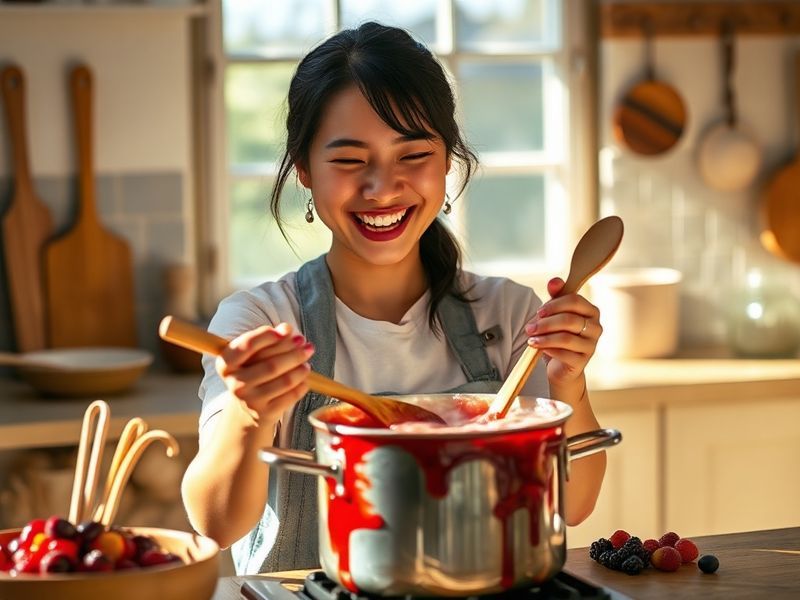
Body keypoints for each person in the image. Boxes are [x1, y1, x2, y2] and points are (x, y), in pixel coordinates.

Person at [182, 21, 607, 575]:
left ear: (447, 160)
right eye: (350, 160)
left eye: (412, 156)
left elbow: (574, 507)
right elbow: (215, 523)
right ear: (305, 169)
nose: (382, 188)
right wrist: (247, 410)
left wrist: (568, 380)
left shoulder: (511, 317)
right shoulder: (260, 320)